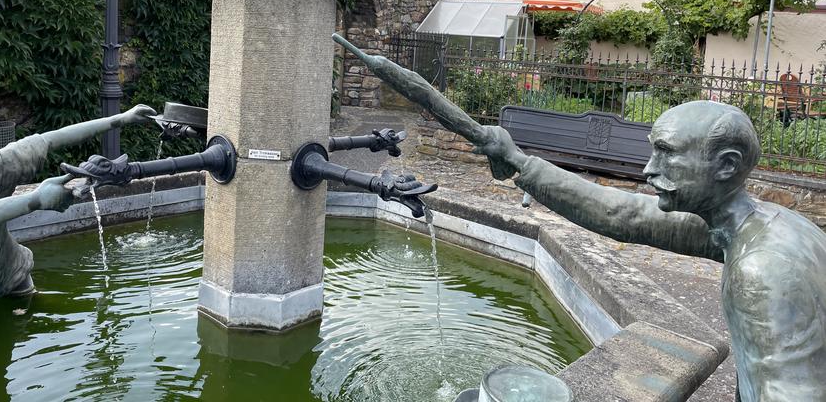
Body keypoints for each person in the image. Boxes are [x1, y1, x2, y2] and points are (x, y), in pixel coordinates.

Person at [332, 33, 826, 402]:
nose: (649, 169)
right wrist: (520, 162)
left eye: (668, 155)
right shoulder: (752, 222)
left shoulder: (763, 271)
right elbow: (619, 213)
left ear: (726, 166)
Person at [0, 95, 155, 318]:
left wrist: (122, 118)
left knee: (25, 321)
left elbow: (52, 138)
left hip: (12, 271)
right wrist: (35, 200)